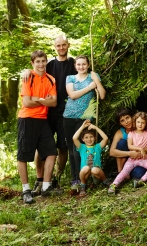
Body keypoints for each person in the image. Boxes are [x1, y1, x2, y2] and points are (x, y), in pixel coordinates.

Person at [23, 35, 77, 195]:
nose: (61, 48)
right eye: (58, 45)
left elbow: (84, 73)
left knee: (63, 147)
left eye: (63, 45)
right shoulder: (50, 64)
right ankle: (39, 180)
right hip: (46, 113)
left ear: (68, 45)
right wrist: (26, 70)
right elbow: (35, 71)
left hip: (66, 112)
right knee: (42, 148)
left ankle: (56, 178)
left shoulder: (73, 64)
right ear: (55, 47)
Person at [17, 50, 61, 204]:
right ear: (32, 63)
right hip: (27, 119)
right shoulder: (28, 77)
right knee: (23, 155)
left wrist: (37, 99)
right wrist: (44, 100)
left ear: (46, 62)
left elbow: (54, 102)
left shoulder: (51, 79)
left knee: (51, 152)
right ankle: (26, 190)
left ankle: (46, 187)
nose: (41, 64)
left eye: (43, 61)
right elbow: (27, 103)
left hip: (43, 120)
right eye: (38, 62)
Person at [63, 54, 106, 194]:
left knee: (81, 147)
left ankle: (86, 177)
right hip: (69, 115)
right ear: (75, 66)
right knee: (71, 147)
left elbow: (102, 95)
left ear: (88, 65)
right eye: (78, 64)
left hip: (85, 117)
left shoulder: (93, 76)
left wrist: (96, 82)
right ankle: (75, 178)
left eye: (84, 64)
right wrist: (89, 87)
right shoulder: (70, 78)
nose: (81, 67)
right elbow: (72, 95)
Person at [108, 111, 147, 194]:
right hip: (132, 159)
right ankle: (114, 184)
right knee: (124, 171)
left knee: (143, 172)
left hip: (143, 159)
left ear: (132, 118)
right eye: (122, 120)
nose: (126, 121)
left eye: (127, 118)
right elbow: (115, 151)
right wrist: (134, 152)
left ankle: (140, 181)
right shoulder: (129, 134)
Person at [72, 119, 109, 196]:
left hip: (96, 174)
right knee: (86, 168)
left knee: (94, 169)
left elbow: (105, 138)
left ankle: (105, 181)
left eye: (91, 137)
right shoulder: (82, 147)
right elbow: (74, 138)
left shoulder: (97, 147)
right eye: (86, 137)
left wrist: (96, 128)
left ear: (94, 137)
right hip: (85, 175)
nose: (89, 139)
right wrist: (82, 126)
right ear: (82, 139)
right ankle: (83, 186)